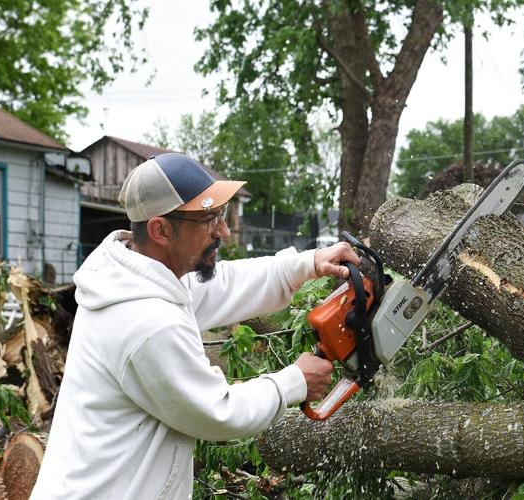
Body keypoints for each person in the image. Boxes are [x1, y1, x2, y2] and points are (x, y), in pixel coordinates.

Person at [31, 153, 359, 499]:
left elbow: (224, 284)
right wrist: (293, 382)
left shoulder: (143, 276)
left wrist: (307, 263)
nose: (224, 231)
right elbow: (218, 412)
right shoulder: (145, 321)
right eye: (208, 219)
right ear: (161, 229)